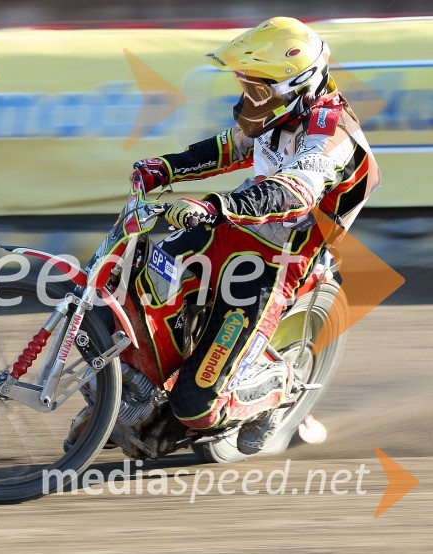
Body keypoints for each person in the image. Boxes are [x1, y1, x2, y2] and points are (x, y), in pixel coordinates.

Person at [132, 17, 380, 454]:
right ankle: (147, 379)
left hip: (281, 258)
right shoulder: (276, 115)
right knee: (147, 274)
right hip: (237, 229)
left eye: (258, 89)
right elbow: (231, 147)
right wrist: (167, 167)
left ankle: (277, 395)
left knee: (196, 406)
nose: (248, 97)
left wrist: (216, 205)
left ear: (297, 85)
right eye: (244, 85)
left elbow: (294, 192)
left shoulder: (330, 131)